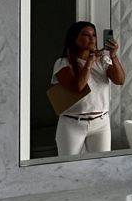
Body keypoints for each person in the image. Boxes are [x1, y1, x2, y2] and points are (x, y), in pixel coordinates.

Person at [52, 21, 126, 156]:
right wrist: (89, 62)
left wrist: (113, 56)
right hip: (72, 123)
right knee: (69, 167)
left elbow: (120, 80)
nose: (92, 38)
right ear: (74, 39)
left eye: (94, 35)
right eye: (86, 35)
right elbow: (78, 87)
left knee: (102, 166)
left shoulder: (103, 60)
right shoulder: (63, 63)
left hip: (101, 122)